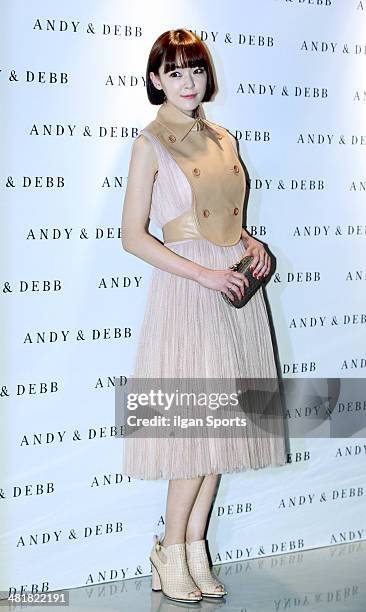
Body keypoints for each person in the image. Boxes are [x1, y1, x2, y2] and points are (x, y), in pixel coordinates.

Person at [120, 28, 287, 604]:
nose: (188, 82)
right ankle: (168, 551)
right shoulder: (150, 143)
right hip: (189, 287)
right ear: (155, 80)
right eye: (175, 72)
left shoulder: (223, 137)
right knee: (196, 430)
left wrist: (249, 243)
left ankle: (194, 546)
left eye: (196, 70)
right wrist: (203, 274)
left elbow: (223, 215)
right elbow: (132, 238)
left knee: (223, 426)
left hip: (233, 284)